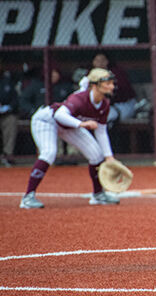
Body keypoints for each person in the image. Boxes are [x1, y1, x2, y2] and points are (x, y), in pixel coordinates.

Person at [19, 68, 121, 209]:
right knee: (49, 153)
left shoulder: (104, 105)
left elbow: (101, 132)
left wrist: (109, 156)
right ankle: (28, 197)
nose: (112, 86)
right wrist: (81, 124)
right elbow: (60, 115)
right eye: (107, 83)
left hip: (70, 126)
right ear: (94, 85)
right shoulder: (80, 98)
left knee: (97, 155)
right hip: (47, 120)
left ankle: (98, 195)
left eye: (112, 83)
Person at [88, 52, 138, 125]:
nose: (100, 63)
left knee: (108, 116)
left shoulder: (116, 73)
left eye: (102, 60)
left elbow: (121, 93)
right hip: (102, 107)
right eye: (97, 60)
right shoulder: (90, 74)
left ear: (107, 62)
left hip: (123, 104)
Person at [0, 58, 19, 167]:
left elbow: (15, 99)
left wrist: (8, 107)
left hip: (7, 113)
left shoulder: (7, 81)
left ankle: (8, 155)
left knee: (11, 121)